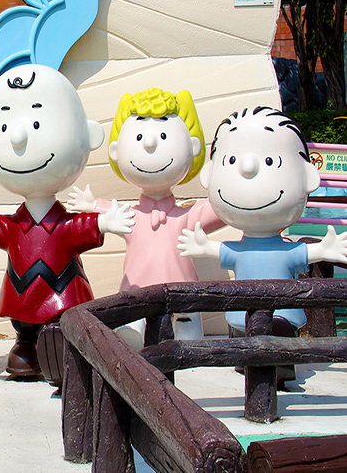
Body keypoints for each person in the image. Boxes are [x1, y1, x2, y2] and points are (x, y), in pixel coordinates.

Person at [0, 64, 134, 387]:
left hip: (62, 290)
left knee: (62, 325)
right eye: (4, 126)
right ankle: (26, 344)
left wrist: (105, 222)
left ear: (88, 135)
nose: (17, 136)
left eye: (37, 123)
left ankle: (61, 350)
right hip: (23, 290)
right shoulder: (15, 225)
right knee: (23, 323)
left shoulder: (62, 224)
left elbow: (77, 228)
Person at [178, 106, 347, 383]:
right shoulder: (242, 249)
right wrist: (204, 246)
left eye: (271, 161)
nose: (247, 167)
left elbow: (302, 253)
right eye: (231, 160)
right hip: (241, 313)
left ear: (308, 177)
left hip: (280, 315)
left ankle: (279, 363)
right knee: (240, 330)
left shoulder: (284, 250)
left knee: (275, 334)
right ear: (210, 174)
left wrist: (325, 250)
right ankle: (247, 361)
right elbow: (224, 251)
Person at [66, 87, 222, 347]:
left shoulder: (186, 216)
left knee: (188, 327)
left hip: (182, 292)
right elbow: (110, 214)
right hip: (136, 291)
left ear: (193, 147)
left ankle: (188, 342)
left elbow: (218, 210)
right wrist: (92, 205)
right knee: (131, 327)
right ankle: (132, 335)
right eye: (139, 137)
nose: (149, 143)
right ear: (116, 151)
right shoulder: (131, 216)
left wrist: (228, 190)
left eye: (163, 136)